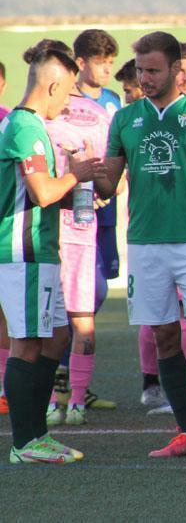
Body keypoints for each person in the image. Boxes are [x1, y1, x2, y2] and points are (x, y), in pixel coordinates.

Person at [95, 31, 186, 458]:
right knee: (165, 337)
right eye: (140, 70)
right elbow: (108, 182)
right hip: (145, 245)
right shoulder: (124, 119)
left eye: (153, 70)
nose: (144, 77)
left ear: (176, 69)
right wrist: (80, 170)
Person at [1, 44, 105, 463]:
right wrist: (75, 175)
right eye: (66, 94)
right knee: (27, 344)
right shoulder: (25, 127)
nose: (67, 103)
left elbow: (35, 193)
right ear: (54, 84)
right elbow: (42, 191)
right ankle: (26, 443)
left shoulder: (30, 126)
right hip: (23, 250)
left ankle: (38, 435)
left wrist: (78, 193)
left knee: (58, 335)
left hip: (42, 250)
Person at [43, 43, 114, 426]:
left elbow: (110, 182)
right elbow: (111, 181)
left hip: (63, 230)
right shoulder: (94, 113)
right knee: (75, 320)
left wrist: (96, 187)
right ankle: (71, 402)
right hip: (61, 231)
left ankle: (64, 401)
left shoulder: (43, 116)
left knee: (61, 322)